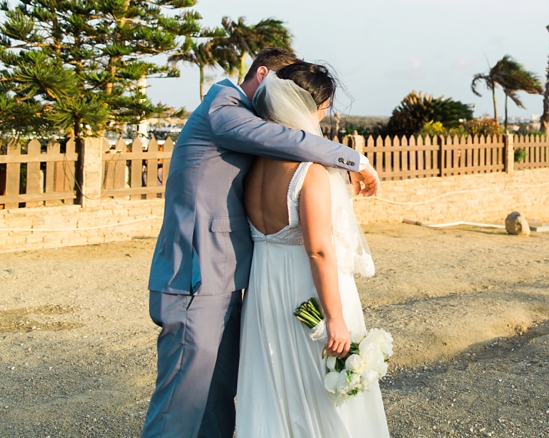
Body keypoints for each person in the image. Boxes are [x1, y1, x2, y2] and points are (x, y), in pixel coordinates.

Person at [142, 48, 380, 438]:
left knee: (217, 399)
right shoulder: (224, 107)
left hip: (230, 281)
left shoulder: (256, 138)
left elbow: (283, 146)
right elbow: (280, 137)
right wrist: (356, 160)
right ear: (265, 74)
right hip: (194, 278)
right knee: (180, 404)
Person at [236, 61, 388, 437]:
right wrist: (335, 318)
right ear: (309, 109)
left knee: (275, 385)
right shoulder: (310, 171)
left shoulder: (253, 164)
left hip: (264, 287)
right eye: (324, 109)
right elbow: (319, 250)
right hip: (308, 292)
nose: (325, 117)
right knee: (317, 386)